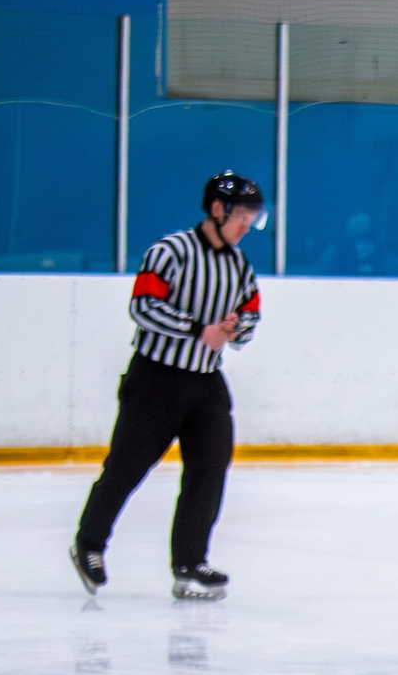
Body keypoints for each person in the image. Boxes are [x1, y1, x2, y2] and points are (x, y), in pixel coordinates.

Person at [70, 170, 264, 601]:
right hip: (156, 379)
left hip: (207, 381)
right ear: (218, 209)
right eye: (242, 215)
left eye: (253, 217)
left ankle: (190, 563)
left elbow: (251, 312)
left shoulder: (239, 265)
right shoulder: (170, 251)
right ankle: (89, 543)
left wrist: (235, 328)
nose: (247, 225)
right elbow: (143, 306)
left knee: (209, 469)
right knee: (127, 467)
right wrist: (199, 329)